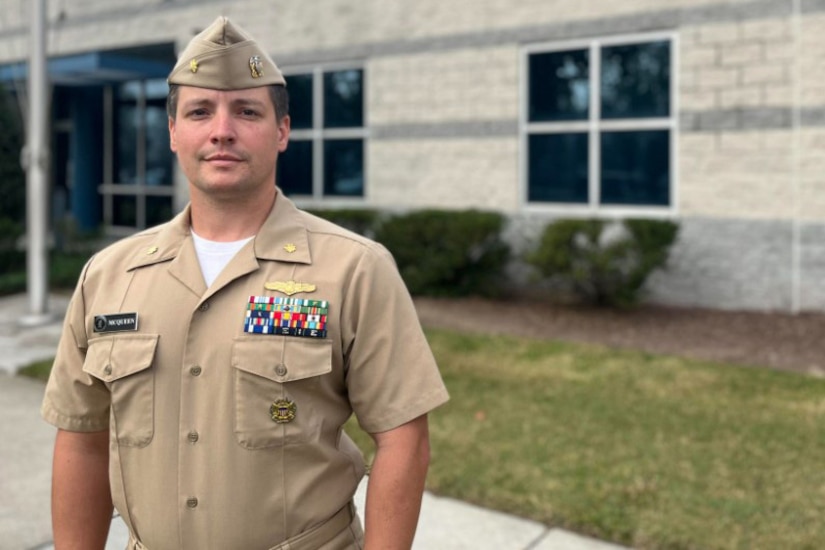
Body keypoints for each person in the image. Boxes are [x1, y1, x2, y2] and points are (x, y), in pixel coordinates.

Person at [42, 16, 449, 550]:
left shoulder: (355, 269)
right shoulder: (109, 276)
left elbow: (402, 439)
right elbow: (82, 440)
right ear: (173, 132)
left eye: (247, 111)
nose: (221, 130)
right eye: (200, 111)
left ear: (282, 131)